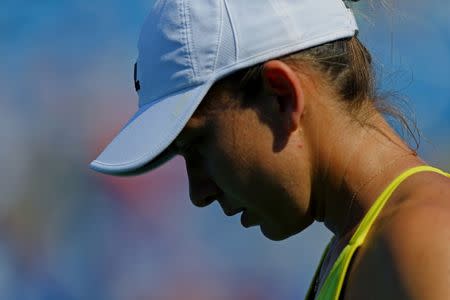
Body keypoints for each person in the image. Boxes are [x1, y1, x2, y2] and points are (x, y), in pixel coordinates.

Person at [90, 0, 450, 298]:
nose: (198, 193)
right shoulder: (359, 246)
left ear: (281, 96)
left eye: (198, 145)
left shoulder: (423, 241)